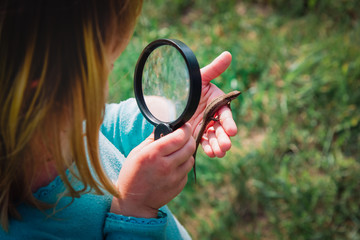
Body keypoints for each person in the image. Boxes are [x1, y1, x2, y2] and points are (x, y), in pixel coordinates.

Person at [0, 0, 237, 239]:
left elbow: (104, 127)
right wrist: (135, 209)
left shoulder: (56, 124)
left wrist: (176, 109)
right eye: (107, 68)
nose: (110, 75)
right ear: (48, 96)